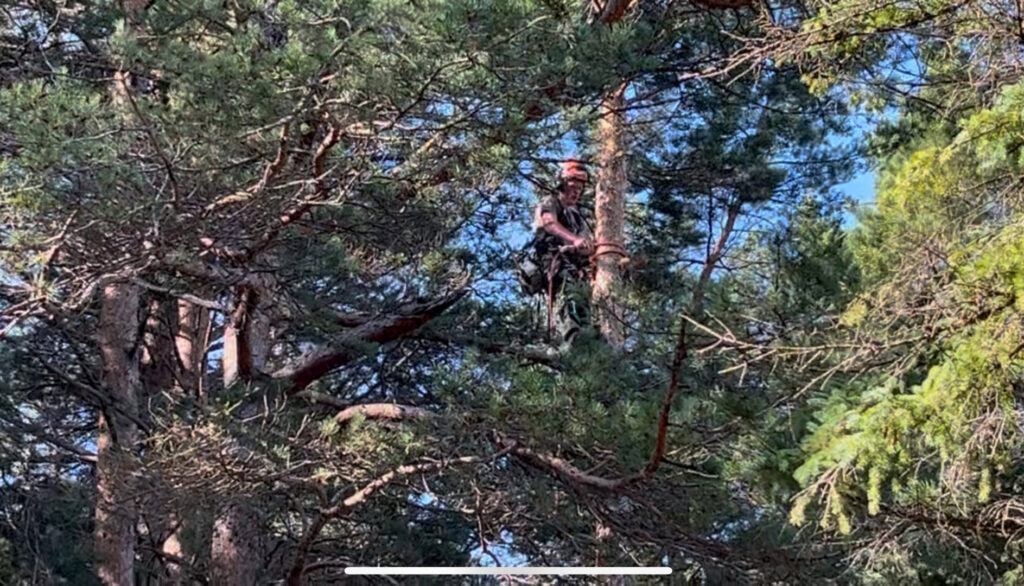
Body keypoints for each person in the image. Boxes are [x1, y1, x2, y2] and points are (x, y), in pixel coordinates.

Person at [532, 158, 595, 345]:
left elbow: (584, 243)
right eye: (573, 187)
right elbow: (549, 224)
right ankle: (572, 340)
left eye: (580, 189)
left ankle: (589, 340)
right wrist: (574, 240)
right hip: (554, 260)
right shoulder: (551, 202)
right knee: (569, 298)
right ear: (562, 184)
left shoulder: (577, 216)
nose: (577, 192)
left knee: (582, 300)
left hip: (575, 267)